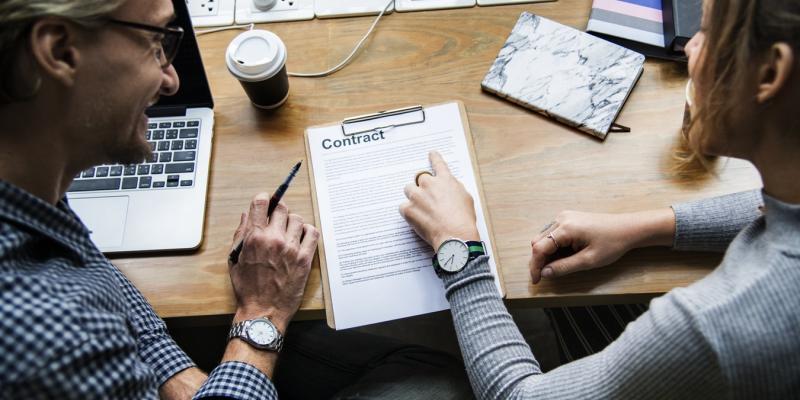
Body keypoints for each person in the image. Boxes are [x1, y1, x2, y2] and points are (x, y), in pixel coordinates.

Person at [0, 0, 474, 399]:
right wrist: (260, 314)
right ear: (59, 51)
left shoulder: (27, 178)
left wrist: (174, 373)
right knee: (437, 380)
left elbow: (87, 268)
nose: (171, 80)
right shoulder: (43, 330)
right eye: (156, 42)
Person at [400, 0, 800, 398]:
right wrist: (643, 228)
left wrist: (459, 247)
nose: (688, 48)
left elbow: (517, 396)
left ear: (769, 73)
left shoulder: (710, 326)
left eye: (708, 32)